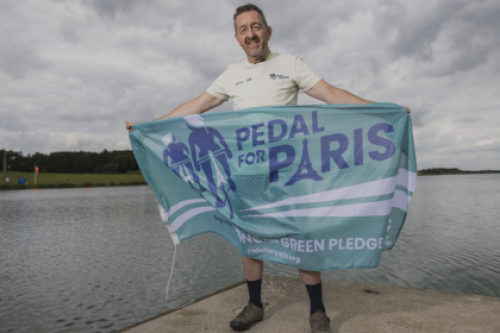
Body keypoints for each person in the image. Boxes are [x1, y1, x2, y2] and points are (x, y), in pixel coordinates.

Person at [127, 4, 411, 332]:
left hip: (289, 173)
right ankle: (254, 305)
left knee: (304, 236)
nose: (251, 34)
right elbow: (195, 106)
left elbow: (331, 94)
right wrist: (150, 124)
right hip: (246, 173)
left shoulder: (291, 64)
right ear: (237, 38)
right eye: (244, 29)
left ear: (268, 31)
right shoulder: (230, 74)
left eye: (256, 26)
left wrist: (380, 109)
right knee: (249, 239)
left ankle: (317, 310)